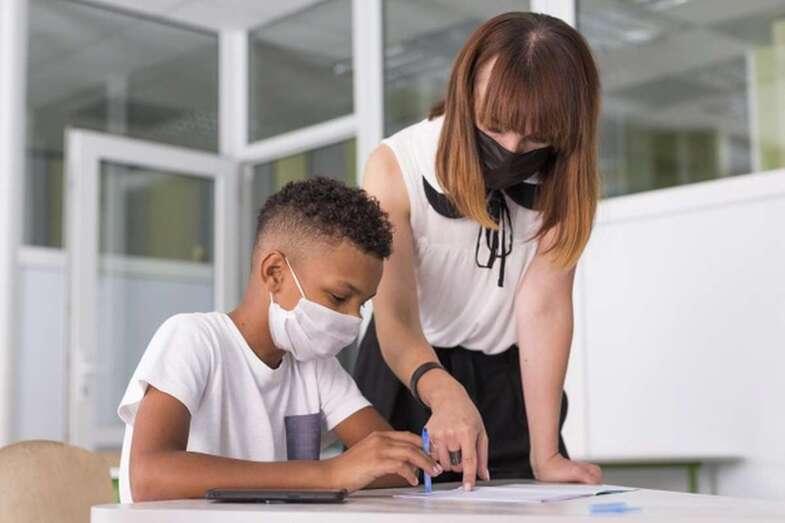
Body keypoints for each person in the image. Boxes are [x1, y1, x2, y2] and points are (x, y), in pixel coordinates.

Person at [354, 12, 604, 491]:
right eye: (495, 128)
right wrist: (443, 391)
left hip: (507, 378)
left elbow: (545, 311)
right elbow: (396, 314)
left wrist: (546, 453)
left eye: (534, 138)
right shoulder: (395, 165)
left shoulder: (565, 183)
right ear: (466, 95)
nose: (512, 149)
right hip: (409, 367)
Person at [117, 177, 442, 502]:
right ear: (274, 273)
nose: (354, 319)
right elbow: (149, 477)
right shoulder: (194, 339)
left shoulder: (315, 366)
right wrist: (327, 474)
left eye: (363, 303)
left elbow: (393, 465)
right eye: (339, 296)